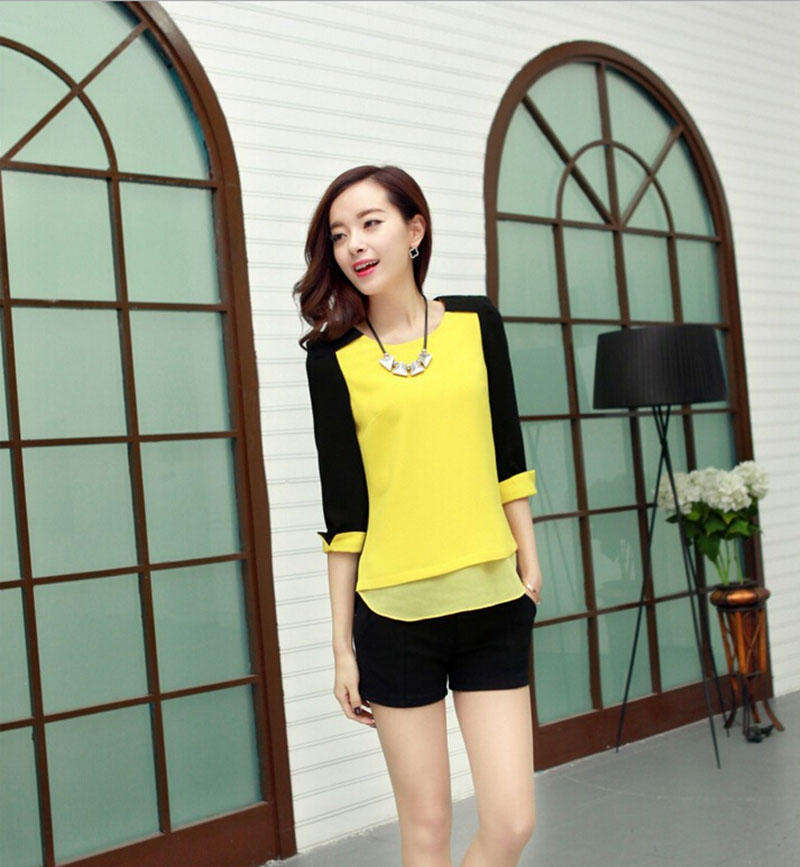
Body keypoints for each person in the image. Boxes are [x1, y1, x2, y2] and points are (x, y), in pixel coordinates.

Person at [295, 164, 544, 867]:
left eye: (370, 223)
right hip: (395, 618)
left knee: (512, 822)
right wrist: (342, 646)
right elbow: (345, 515)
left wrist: (529, 564)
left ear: (414, 229)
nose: (354, 244)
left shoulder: (476, 323)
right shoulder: (332, 360)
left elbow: (507, 455)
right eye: (339, 234)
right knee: (427, 830)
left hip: (492, 604)